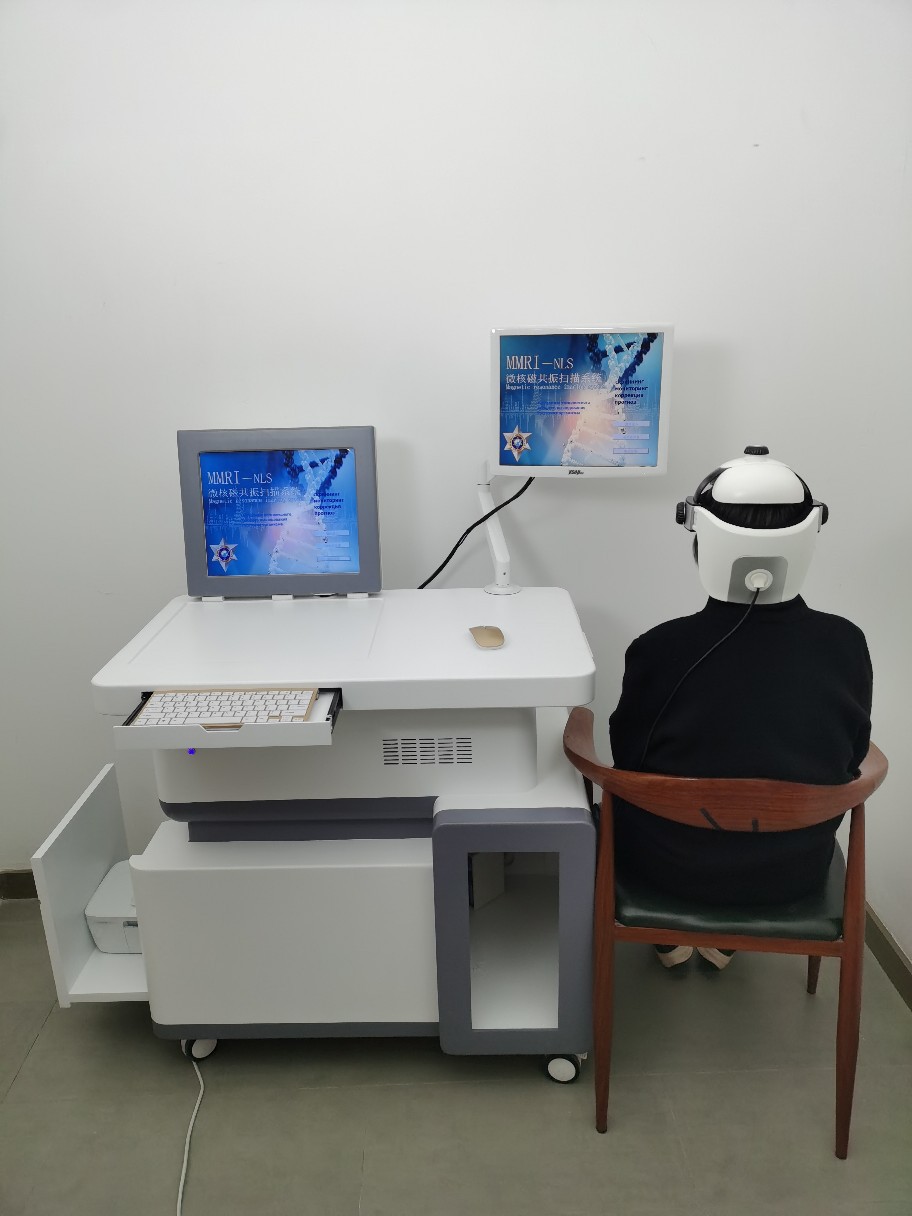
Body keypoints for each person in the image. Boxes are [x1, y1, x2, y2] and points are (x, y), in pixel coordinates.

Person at [608, 447, 873, 970]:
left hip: (667, 872)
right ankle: (726, 939)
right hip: (793, 876)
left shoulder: (659, 649)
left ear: (701, 541)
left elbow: (628, 760)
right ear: (809, 537)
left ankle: (671, 934)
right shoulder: (847, 644)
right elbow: (851, 755)